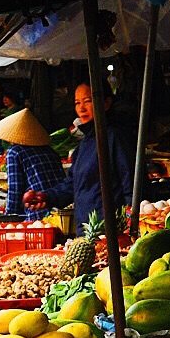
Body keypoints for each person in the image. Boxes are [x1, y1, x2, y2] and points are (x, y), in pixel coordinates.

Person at [68, 82, 134, 233]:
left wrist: (130, 221)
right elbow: (71, 184)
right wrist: (46, 196)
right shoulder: (85, 143)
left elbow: (130, 183)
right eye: (77, 103)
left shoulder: (114, 137)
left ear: (106, 103)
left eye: (87, 101)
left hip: (110, 231)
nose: (81, 108)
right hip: (85, 230)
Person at [0, 108, 71, 218]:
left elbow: (15, 191)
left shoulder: (15, 152)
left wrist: (9, 217)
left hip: (38, 210)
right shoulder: (50, 150)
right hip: (62, 211)